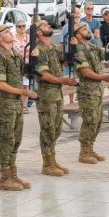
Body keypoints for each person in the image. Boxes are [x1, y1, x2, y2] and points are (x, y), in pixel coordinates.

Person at [0, 22, 35, 191]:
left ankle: (13, 174)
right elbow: (0, 84)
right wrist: (22, 92)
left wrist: (33, 55)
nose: (11, 33)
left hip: (16, 103)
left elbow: (26, 70)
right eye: (7, 32)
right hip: (8, 103)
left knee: (16, 140)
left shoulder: (14, 53)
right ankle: (5, 178)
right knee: (6, 140)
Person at [33, 18, 78, 172]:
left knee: (57, 129)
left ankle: (52, 160)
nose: (49, 26)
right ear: (38, 32)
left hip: (57, 94)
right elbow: (43, 75)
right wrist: (62, 80)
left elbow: (66, 62)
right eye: (45, 25)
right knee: (48, 129)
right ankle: (47, 163)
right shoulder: (39, 49)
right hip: (47, 95)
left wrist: (73, 47)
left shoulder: (53, 47)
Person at [73, 19, 109, 162]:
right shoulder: (79, 51)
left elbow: (107, 54)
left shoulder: (91, 46)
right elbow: (85, 72)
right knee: (89, 121)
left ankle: (90, 149)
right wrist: (104, 77)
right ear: (77, 35)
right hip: (87, 92)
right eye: (84, 29)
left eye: (87, 28)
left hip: (96, 91)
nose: (88, 30)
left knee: (97, 121)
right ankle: (84, 153)